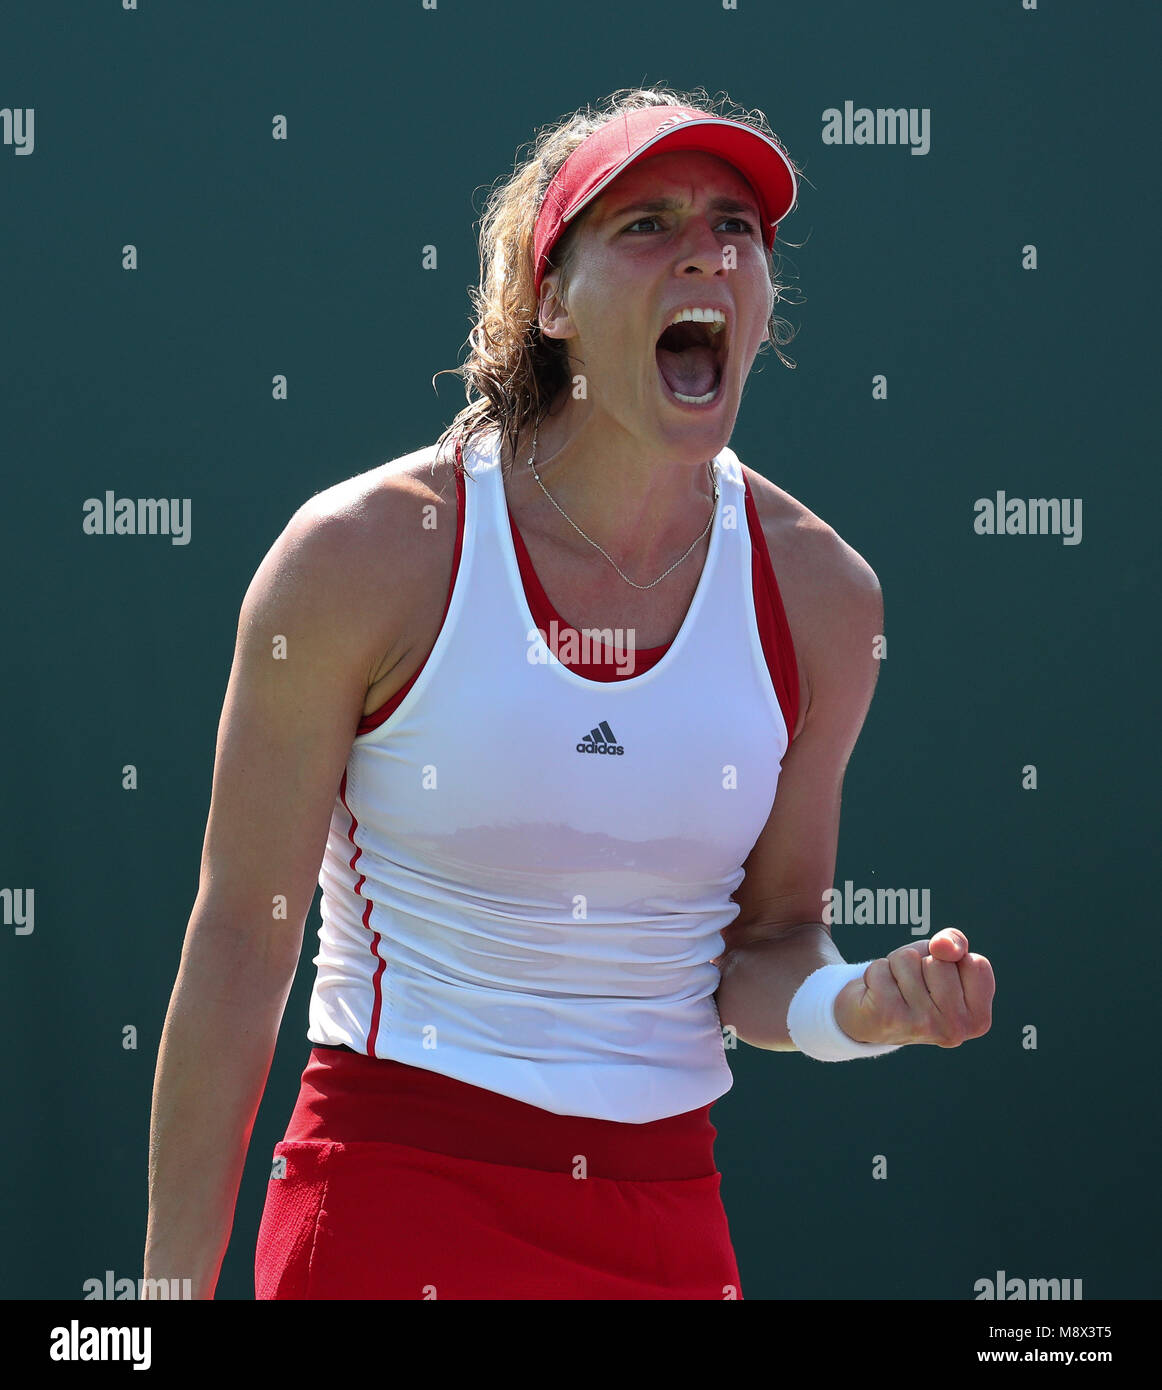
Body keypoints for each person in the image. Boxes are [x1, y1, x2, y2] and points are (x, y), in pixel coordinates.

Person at [144, 85, 994, 1302]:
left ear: (757, 308)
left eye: (735, 228)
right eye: (645, 222)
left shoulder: (823, 598)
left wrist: (850, 1006)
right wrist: (164, 1302)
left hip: (667, 1218)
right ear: (550, 301)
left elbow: (764, 945)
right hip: (389, 1191)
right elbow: (239, 945)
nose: (705, 247)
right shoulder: (363, 555)